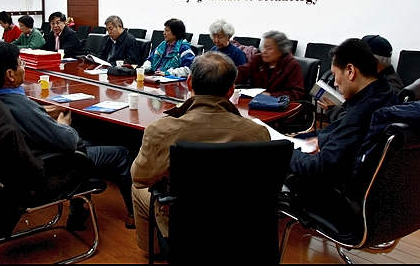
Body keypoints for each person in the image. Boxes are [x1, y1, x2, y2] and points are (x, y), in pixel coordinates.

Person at [0, 42, 135, 229]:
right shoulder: (20, 106)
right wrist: (62, 124)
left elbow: (30, 119)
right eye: (20, 63)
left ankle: (78, 211)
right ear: (10, 75)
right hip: (47, 168)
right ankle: (135, 215)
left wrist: (43, 113)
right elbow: (69, 142)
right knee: (121, 153)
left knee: (87, 140)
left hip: (25, 164)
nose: (24, 67)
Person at [131, 52, 271, 253]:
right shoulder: (257, 133)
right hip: (240, 223)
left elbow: (140, 178)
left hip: (182, 221)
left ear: (189, 83)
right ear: (231, 90)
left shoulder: (161, 130)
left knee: (137, 190)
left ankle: (155, 251)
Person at [287, 39, 397, 207]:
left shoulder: (360, 114)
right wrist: (322, 139)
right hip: (376, 194)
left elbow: (319, 168)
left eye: (335, 74)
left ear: (350, 71)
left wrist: (285, 150)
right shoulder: (386, 94)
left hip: (340, 197)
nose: (335, 83)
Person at [235, 30, 304, 100]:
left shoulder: (292, 65)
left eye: (269, 48)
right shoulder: (258, 59)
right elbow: (242, 73)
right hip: (255, 101)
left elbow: (296, 93)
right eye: (263, 47)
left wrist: (271, 95)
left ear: (281, 50)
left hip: (279, 104)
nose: (264, 51)